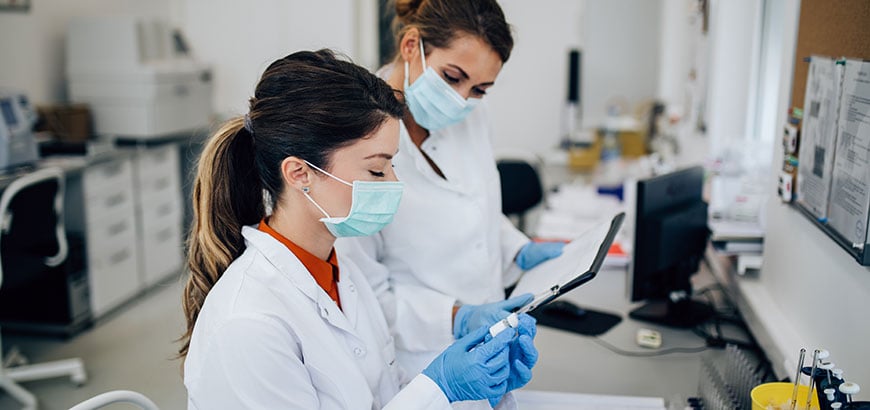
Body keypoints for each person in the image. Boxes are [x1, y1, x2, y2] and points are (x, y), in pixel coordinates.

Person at [178, 49, 538, 409]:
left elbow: (384, 394)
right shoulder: (249, 324)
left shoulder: (338, 272)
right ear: (299, 173)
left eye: (393, 165)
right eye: (377, 170)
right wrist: (441, 387)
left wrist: (475, 387)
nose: (394, 183)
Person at [336, 0, 565, 393]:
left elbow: (476, 205)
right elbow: (362, 293)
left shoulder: (474, 116)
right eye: (452, 77)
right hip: (417, 366)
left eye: (479, 89)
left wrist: (517, 250)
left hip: (491, 349)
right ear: (411, 46)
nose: (462, 99)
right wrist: (458, 317)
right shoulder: (357, 140)